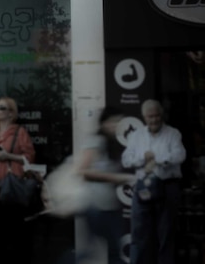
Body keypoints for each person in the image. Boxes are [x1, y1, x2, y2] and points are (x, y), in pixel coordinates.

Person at [121, 99, 186, 264]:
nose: (154, 120)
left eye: (157, 115)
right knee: (139, 234)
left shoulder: (173, 133)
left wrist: (158, 158)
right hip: (144, 187)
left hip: (167, 187)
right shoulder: (136, 136)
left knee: (166, 236)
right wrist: (143, 158)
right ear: (144, 117)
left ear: (161, 114)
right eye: (150, 117)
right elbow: (126, 160)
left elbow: (180, 156)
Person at [69, 107, 135, 264]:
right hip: (96, 207)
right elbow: (82, 171)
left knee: (108, 251)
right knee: (106, 252)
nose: (117, 126)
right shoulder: (95, 141)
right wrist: (116, 178)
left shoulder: (109, 143)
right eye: (114, 122)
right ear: (104, 122)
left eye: (119, 122)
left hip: (108, 207)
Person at [0, 96, 36, 264]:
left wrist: (7, 155)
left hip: (13, 186)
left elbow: (30, 158)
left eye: (1, 108)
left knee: (17, 232)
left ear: (11, 113)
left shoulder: (19, 132)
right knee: (0, 231)